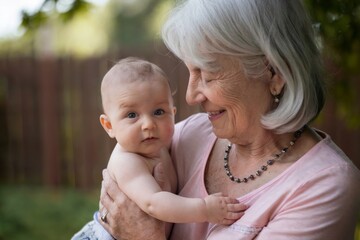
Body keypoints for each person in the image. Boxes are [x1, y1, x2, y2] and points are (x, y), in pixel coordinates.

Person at [99, 1, 360, 239]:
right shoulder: (189, 135)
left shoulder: (323, 186)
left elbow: (133, 221)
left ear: (276, 73)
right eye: (191, 71)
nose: (190, 96)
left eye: (209, 73)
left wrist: (142, 236)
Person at [72, 57, 246, 240]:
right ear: (108, 125)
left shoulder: (161, 144)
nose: (148, 124)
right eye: (132, 115)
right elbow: (153, 203)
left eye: (158, 112)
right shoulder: (127, 161)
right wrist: (205, 209)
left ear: (172, 114)